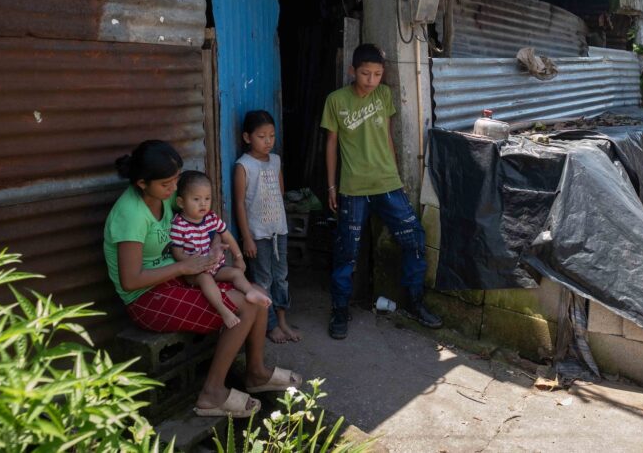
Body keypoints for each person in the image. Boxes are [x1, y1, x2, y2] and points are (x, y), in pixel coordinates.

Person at [103, 140, 301, 418]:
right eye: (167, 184)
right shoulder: (131, 215)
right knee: (246, 306)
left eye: (176, 180)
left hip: (180, 277)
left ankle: (256, 373)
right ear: (141, 183)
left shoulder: (165, 195)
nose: (174, 189)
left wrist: (214, 245)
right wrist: (185, 266)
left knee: (256, 293)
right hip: (146, 297)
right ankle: (212, 393)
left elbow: (205, 217)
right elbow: (131, 281)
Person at [321, 43, 442, 340]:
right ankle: (340, 309)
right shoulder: (336, 100)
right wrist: (332, 185)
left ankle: (414, 302)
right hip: (353, 187)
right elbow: (331, 144)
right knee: (347, 251)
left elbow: (387, 135)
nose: (371, 80)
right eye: (365, 73)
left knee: (414, 238)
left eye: (377, 74)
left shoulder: (384, 95)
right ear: (353, 71)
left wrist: (396, 175)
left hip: (387, 183)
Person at [170, 170, 272, 330]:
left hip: (215, 268)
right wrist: (194, 263)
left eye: (207, 198)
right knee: (205, 278)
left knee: (236, 273)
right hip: (195, 273)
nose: (203, 204)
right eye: (196, 199)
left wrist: (238, 257)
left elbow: (228, 237)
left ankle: (249, 292)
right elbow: (177, 253)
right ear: (181, 202)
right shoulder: (179, 225)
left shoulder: (211, 218)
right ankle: (223, 310)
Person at [234, 110, 300, 343]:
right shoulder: (243, 166)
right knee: (263, 280)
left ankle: (282, 320)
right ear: (247, 137)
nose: (268, 141)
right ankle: (270, 325)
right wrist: (247, 238)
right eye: (261, 136)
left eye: (271, 136)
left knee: (281, 277)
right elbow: (239, 204)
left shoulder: (276, 161)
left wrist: (280, 223)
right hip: (258, 235)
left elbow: (280, 193)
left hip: (278, 231)